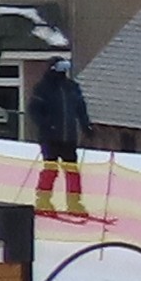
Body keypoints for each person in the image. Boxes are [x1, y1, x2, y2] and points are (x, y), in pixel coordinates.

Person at [28, 49, 92, 218]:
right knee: (51, 169)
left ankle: (74, 202)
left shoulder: (71, 87)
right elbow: (34, 110)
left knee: (72, 171)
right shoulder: (43, 88)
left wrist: (86, 126)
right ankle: (43, 200)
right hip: (50, 138)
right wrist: (46, 124)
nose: (63, 72)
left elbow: (80, 108)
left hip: (68, 138)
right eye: (60, 68)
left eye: (65, 68)